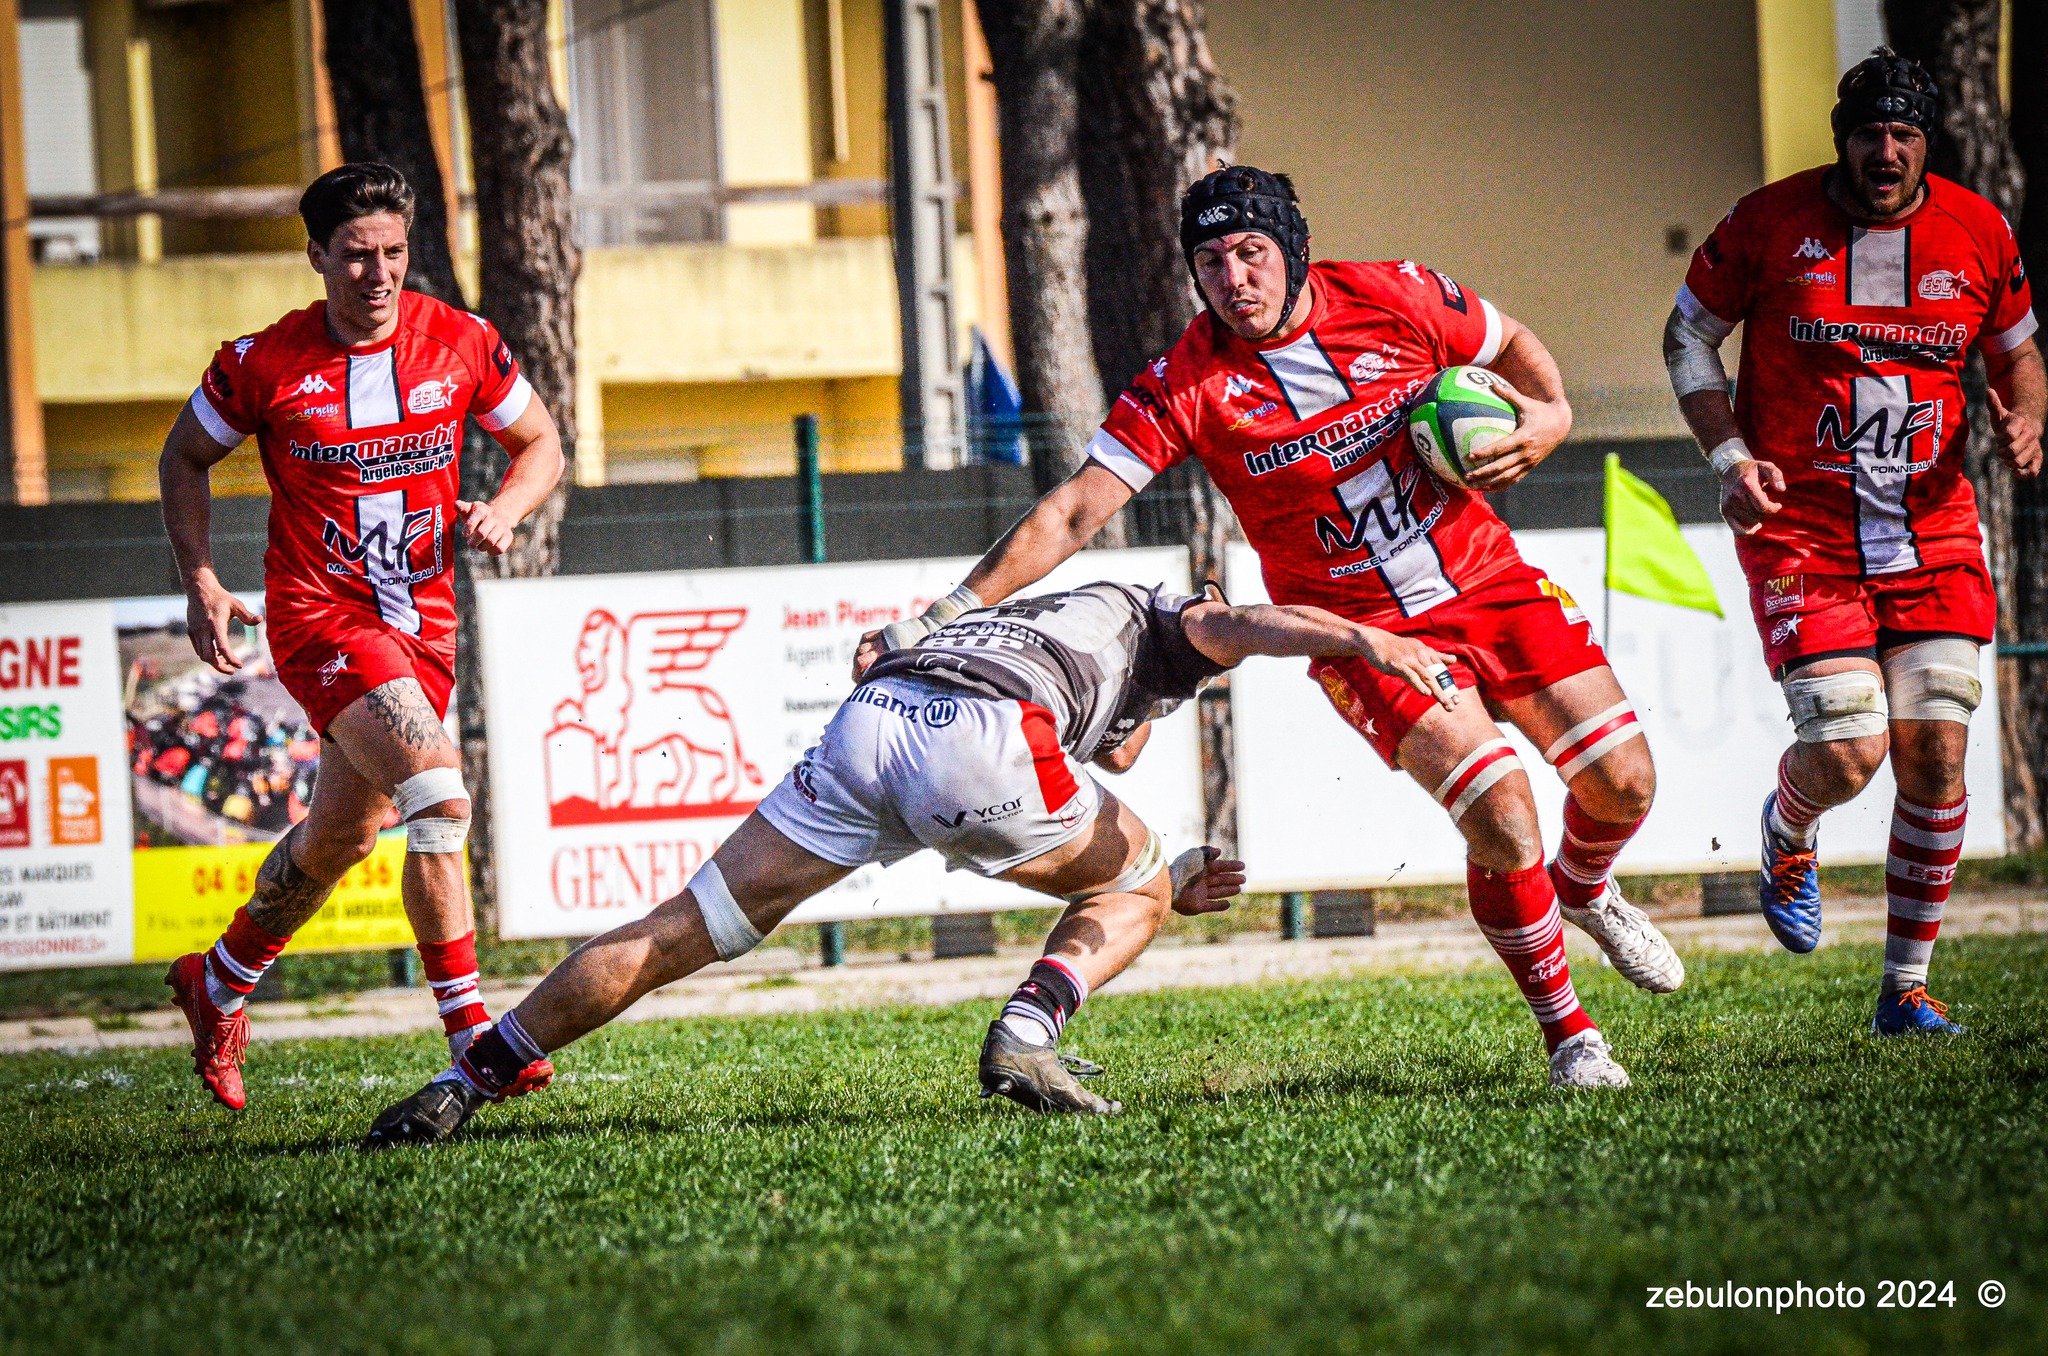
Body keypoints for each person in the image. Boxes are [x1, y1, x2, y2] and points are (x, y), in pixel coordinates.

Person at [857, 166, 1686, 1089]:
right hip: (1352, 628)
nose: (1234, 278)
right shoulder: (1187, 380)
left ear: (1291, 250)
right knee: (1501, 811)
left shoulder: (1392, 294)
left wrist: (1552, 413)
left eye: (1252, 253)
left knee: (1623, 784)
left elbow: (1513, 341)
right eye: (1210, 261)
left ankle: (1583, 886)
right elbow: (1073, 512)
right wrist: (943, 616)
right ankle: (1573, 1037)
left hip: (1488, 582)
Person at [361, 580, 1462, 1144]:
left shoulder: (1048, 620)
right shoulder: (1168, 617)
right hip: (974, 738)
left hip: (874, 719)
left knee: (673, 931)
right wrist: (1369, 640)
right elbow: (1249, 627)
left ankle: (471, 1077)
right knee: (1141, 880)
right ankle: (1025, 1038)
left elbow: (1106, 743)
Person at [158, 163, 566, 1107]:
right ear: (315, 257)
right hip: (320, 617)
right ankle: (473, 1032)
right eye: (355, 256)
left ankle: (216, 980)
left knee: (342, 834)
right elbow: (183, 454)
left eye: (393, 253)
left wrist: (506, 507)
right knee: (438, 792)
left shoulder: (459, 342)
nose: (379, 274)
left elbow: (541, 442)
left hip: (421, 623)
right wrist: (203, 581)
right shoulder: (263, 362)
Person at [1663, 49, 2043, 1034]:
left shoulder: (1977, 230)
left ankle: (1902, 990)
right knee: (1843, 753)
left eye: (1904, 134)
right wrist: (1728, 457)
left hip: (1933, 529)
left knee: (1936, 756)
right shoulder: (1766, 224)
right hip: (1802, 529)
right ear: (1840, 138)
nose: (1885, 151)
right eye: (1869, 132)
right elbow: (1685, 336)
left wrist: (2025, 418)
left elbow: (2017, 352)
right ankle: (1787, 830)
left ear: (1925, 144)